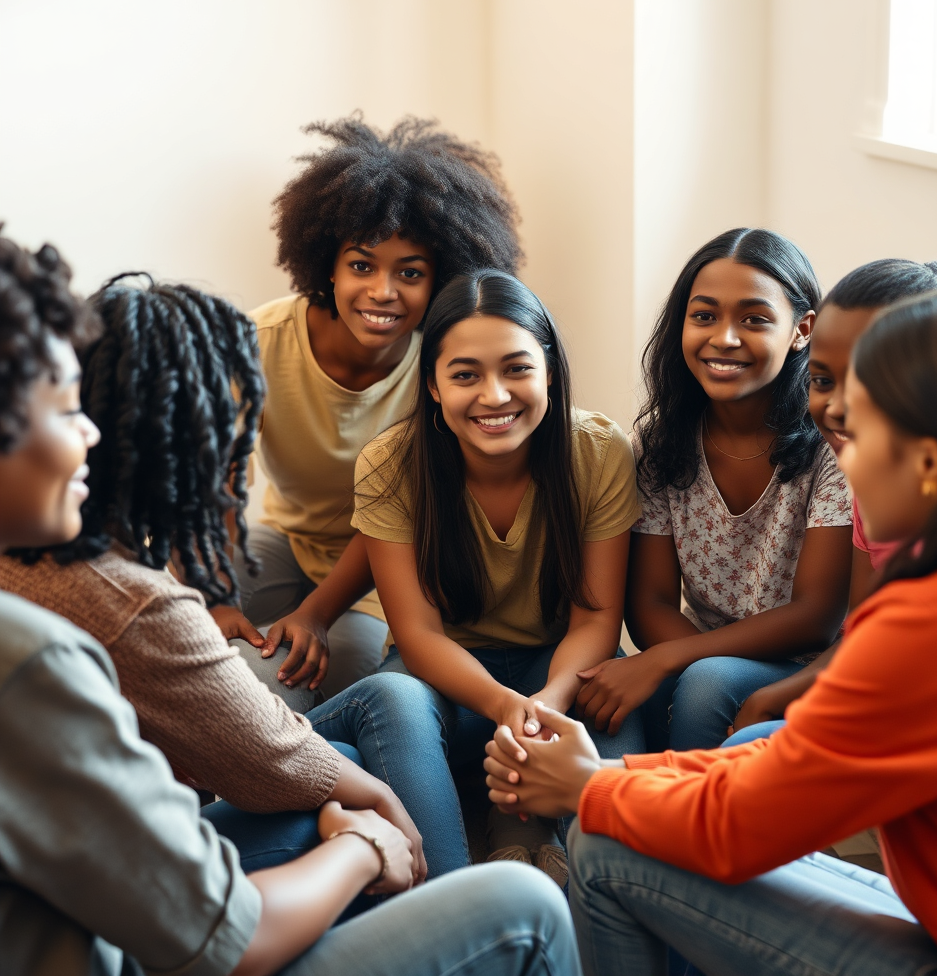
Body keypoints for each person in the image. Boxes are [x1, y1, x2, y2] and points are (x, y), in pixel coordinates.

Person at [0, 229, 582, 976]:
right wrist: (369, 844)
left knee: (337, 753)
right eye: (62, 407)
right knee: (513, 898)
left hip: (98, 893)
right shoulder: (81, 628)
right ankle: (451, 913)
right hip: (138, 943)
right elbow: (230, 932)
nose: (87, 429)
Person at [484, 287, 937, 976]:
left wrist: (587, 789)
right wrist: (609, 773)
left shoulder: (936, 625)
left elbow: (742, 828)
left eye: (858, 433)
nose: (846, 460)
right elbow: (789, 762)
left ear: (929, 463)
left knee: (608, 838)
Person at [0, 275, 424, 879]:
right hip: (121, 880)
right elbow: (270, 760)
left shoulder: (45, 545)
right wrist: (375, 834)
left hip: (101, 832)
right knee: (354, 787)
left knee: (379, 710)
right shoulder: (131, 599)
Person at [308, 270, 646, 882]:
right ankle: (459, 900)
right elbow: (418, 635)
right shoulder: (390, 464)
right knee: (396, 698)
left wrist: (547, 702)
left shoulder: (598, 450)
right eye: (465, 375)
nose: (495, 396)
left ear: (549, 371)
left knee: (611, 717)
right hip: (445, 683)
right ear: (433, 387)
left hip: (560, 672)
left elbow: (597, 616)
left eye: (517, 368)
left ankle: (558, 862)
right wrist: (505, 706)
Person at [213, 114, 522, 702]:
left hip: (385, 569)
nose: (383, 291)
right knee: (173, 625)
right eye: (362, 266)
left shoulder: (443, 365)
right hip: (283, 543)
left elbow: (396, 507)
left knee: (284, 692)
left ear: (440, 282)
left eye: (410, 273)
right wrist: (218, 598)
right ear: (326, 265)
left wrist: (316, 614)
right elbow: (220, 483)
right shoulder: (257, 342)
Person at [577, 228, 852, 751]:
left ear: (801, 330)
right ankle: (611, 820)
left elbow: (818, 616)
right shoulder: (658, 441)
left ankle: (691, 823)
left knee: (701, 684)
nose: (724, 337)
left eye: (754, 319)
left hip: (808, 670)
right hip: (698, 650)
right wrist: (681, 661)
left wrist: (669, 662)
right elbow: (650, 603)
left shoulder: (829, 444)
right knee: (599, 683)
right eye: (704, 315)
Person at [726, 258, 937, 744]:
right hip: (877, 702)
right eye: (822, 381)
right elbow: (864, 637)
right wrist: (776, 695)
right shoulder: (874, 495)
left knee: (740, 751)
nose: (835, 407)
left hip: (932, 730)